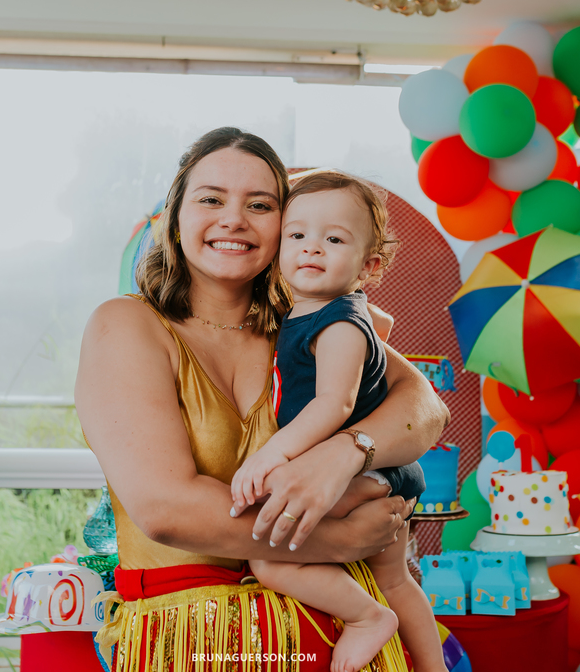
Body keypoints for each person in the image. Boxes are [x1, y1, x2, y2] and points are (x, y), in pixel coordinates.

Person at [76, 127, 448, 671]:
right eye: (210, 199)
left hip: (336, 631)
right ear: (174, 220)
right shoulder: (126, 324)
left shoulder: (307, 323)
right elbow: (165, 510)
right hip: (194, 638)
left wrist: (344, 452)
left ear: (286, 226)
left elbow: (425, 408)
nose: (234, 219)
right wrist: (335, 539)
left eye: (260, 204)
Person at [229, 171, 445, 672]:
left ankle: (367, 618)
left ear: (369, 264)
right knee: (397, 579)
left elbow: (334, 405)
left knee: (267, 556)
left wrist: (272, 455)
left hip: (367, 472)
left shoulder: (340, 323)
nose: (311, 249)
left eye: (333, 239)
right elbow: (381, 330)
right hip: (385, 473)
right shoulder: (325, 310)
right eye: (297, 235)